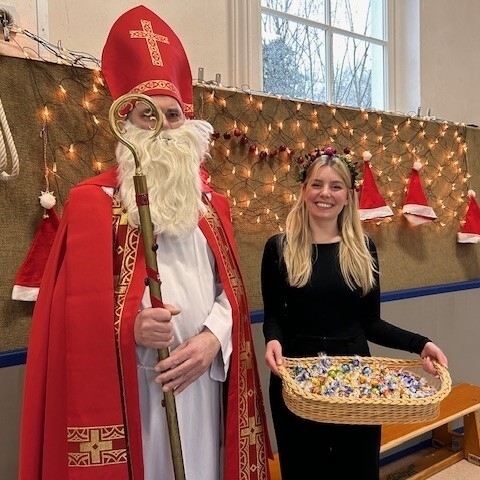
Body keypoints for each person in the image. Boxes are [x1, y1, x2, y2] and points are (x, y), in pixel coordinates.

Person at [17, 5, 271, 480]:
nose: (163, 126)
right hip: (135, 389)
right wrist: (129, 329)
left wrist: (211, 341)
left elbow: (230, 293)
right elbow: (72, 315)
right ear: (125, 123)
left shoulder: (212, 205)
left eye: (173, 115)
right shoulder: (93, 204)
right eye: (146, 114)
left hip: (205, 381)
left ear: (188, 123)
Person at [261, 147, 448, 480]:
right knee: (304, 469)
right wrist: (272, 339)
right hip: (299, 379)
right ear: (304, 190)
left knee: (357, 469)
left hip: (357, 382)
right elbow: (275, 316)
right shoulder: (279, 247)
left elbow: (371, 323)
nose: (325, 194)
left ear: (348, 195)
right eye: (317, 184)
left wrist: (420, 343)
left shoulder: (363, 249)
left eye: (336, 186)